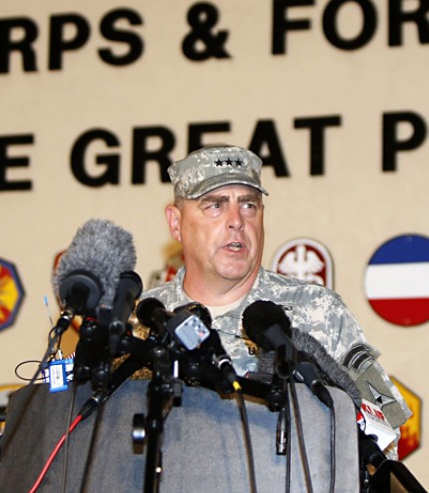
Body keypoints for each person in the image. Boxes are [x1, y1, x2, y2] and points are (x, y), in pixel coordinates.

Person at [141, 144, 411, 446]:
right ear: (176, 223)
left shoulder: (318, 310)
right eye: (215, 205)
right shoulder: (141, 321)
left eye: (249, 205)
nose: (237, 221)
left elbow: (384, 435)